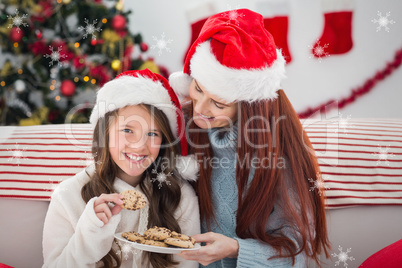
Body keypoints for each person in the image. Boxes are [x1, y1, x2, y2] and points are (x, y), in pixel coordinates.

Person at [169, 9, 331, 267]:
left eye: (218, 104)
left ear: (247, 106)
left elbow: (297, 253)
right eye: (198, 88)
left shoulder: (279, 155)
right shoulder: (183, 123)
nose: (199, 108)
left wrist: (235, 249)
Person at [42, 69, 200, 268]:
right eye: (127, 130)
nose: (139, 145)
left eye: (152, 134)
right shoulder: (68, 196)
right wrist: (90, 233)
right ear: (105, 133)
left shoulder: (180, 197)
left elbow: (187, 263)